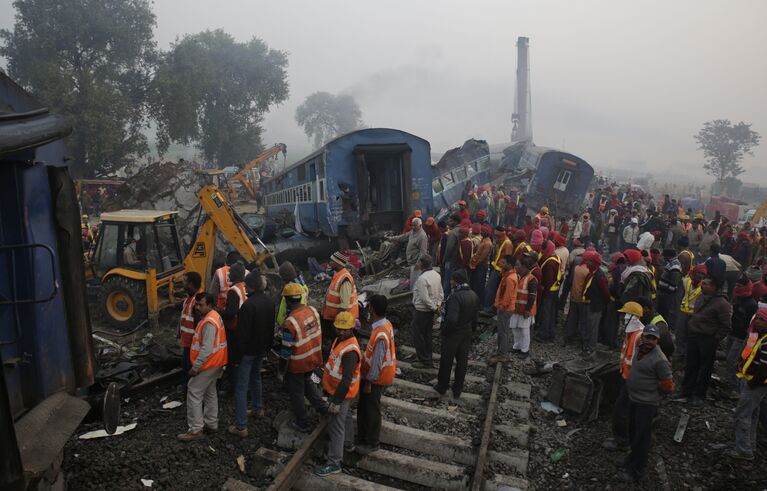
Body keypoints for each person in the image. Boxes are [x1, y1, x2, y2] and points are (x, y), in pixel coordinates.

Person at [618, 324, 674, 482]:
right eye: (647, 337)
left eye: (653, 339)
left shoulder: (660, 360)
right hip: (634, 399)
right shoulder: (639, 350)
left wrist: (654, 395)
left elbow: (668, 385)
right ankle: (630, 461)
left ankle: (635, 471)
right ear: (642, 337)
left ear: (657, 341)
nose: (650, 341)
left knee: (642, 437)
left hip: (646, 404)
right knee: (633, 433)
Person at [227, 272, 275, 437]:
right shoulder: (269, 301)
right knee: (256, 378)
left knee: (241, 387)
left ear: (250, 286)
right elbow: (271, 328)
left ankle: (241, 426)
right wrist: (268, 348)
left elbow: (242, 334)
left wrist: (236, 357)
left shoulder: (248, 306)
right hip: (261, 349)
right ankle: (257, 408)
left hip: (247, 352)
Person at [316, 312, 361, 477]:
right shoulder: (339, 340)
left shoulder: (350, 351)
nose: (341, 331)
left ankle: (334, 463)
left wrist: (336, 401)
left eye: (345, 329)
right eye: (339, 329)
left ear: (351, 328)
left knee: (336, 426)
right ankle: (348, 444)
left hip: (341, 393)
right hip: (336, 390)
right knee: (346, 417)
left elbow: (346, 379)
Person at [178, 293, 228, 442]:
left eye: (201, 305)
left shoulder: (208, 322)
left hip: (208, 364)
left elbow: (206, 349)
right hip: (217, 362)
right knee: (209, 392)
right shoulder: (214, 316)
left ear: (210, 305)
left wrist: (196, 367)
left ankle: (195, 429)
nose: (198, 308)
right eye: (197, 304)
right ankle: (211, 423)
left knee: (193, 390)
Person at [674, 278, 732, 405]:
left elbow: (726, 325)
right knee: (691, 365)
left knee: (705, 368)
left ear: (714, 287)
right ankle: (686, 392)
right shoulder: (701, 297)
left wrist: (715, 338)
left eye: (705, 284)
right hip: (694, 336)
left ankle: (699, 395)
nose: (702, 285)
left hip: (708, 339)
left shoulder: (722, 303)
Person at [280, 283, 326, 432]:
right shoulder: (312, 310)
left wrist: (281, 371)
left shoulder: (290, 322)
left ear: (287, 300)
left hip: (298, 363)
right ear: (300, 297)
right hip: (313, 358)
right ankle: (322, 408)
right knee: (307, 383)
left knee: (297, 392)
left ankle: (302, 422)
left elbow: (286, 351)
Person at [357, 295, 396, 455]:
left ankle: (372, 442)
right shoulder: (385, 324)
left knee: (372, 409)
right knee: (365, 407)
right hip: (376, 376)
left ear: (372, 309)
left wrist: (369, 382)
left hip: (376, 378)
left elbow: (377, 362)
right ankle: (364, 436)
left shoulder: (380, 334)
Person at [603, 301, 644, 452]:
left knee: (621, 410)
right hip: (627, 377)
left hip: (632, 380)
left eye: (624, 315)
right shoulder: (632, 333)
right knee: (624, 409)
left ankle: (622, 441)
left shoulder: (639, 336)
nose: (621, 318)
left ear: (631, 317)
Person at [729, 308, 767, 461]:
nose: (757, 321)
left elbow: (765, 367)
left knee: (742, 414)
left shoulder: (765, 341)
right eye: (756, 318)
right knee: (753, 413)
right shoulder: (757, 335)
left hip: (756, 383)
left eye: (761, 319)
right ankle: (750, 444)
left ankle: (743, 450)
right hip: (751, 380)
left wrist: (752, 383)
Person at [435, 270, 479, 397]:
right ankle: (457, 389)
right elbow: (475, 318)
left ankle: (442, 386)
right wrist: (472, 330)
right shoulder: (474, 295)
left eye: (452, 280)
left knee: (446, 361)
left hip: (453, 334)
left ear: (458, 281)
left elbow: (452, 319)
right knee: (462, 362)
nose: (451, 282)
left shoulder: (455, 297)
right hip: (466, 333)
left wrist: (445, 331)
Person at [726, 278, 758, 395]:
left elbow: (752, 325)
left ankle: (733, 387)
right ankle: (730, 383)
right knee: (729, 359)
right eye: (736, 285)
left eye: (739, 286)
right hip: (732, 333)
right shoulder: (737, 299)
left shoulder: (752, 305)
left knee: (733, 361)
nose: (736, 288)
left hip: (741, 337)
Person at [411, 255, 443, 368]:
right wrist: (437, 306)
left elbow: (424, 298)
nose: (417, 264)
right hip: (430, 311)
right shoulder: (437, 275)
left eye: (418, 262)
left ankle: (423, 360)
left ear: (422, 264)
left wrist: (434, 308)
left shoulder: (422, 279)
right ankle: (427, 357)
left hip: (421, 311)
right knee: (427, 335)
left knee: (418, 336)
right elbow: (441, 293)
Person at [322, 251, 359, 348]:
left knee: (340, 344)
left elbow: (344, 305)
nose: (330, 263)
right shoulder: (338, 275)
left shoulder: (345, 278)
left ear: (338, 263)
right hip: (335, 318)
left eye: (332, 261)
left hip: (343, 321)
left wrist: (339, 325)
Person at [177, 272, 203, 388]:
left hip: (193, 344)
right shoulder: (190, 298)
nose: (182, 283)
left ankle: (189, 390)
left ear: (191, 284)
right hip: (188, 342)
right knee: (185, 366)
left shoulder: (198, 301)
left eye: (184, 281)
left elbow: (199, 325)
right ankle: (186, 387)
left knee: (189, 368)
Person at [491, 255, 518, 362]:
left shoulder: (510, 278)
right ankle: (501, 351)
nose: (501, 264)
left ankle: (502, 354)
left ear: (509, 265)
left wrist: (501, 307)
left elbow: (507, 296)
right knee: (503, 330)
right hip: (505, 308)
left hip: (505, 309)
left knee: (503, 331)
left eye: (503, 263)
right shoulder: (508, 275)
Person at [510, 255, 538, 357]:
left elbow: (532, 296)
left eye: (517, 265)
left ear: (524, 267)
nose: (515, 267)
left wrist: (527, 310)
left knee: (524, 330)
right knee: (515, 328)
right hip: (516, 309)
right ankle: (517, 346)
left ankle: (525, 350)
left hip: (525, 310)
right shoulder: (518, 276)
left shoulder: (532, 279)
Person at [389, 217, 429, 288]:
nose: (413, 227)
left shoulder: (422, 236)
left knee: (415, 286)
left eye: (415, 225)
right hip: (412, 263)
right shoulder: (412, 232)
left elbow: (423, 252)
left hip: (416, 265)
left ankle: (415, 297)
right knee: (414, 284)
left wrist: (418, 264)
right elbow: (403, 237)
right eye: (412, 225)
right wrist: (391, 238)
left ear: (420, 225)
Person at [482, 227, 513, 313]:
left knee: (490, 289)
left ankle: (487, 309)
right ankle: (488, 308)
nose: (496, 238)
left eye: (497, 236)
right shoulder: (501, 242)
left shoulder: (507, 244)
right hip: (496, 269)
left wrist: (503, 271)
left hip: (499, 271)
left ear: (502, 235)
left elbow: (507, 260)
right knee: (491, 289)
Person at [537, 243, 562, 342]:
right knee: (551, 313)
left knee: (546, 313)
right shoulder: (557, 258)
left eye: (543, 250)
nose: (542, 252)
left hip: (549, 292)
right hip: (555, 290)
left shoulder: (549, 264)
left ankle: (543, 334)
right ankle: (551, 332)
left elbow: (548, 280)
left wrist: (544, 292)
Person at [276, 261, 309, 327]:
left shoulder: (291, 291)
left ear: (286, 275)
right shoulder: (302, 285)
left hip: (291, 323)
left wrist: (285, 323)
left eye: (282, 275)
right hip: (299, 319)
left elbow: (289, 308)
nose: (281, 278)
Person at [656, 249, 682, 327]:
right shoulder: (671, 263)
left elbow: (673, 284)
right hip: (664, 293)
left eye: (664, 256)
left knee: (665, 312)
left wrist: (665, 293)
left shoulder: (675, 266)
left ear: (668, 256)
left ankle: (665, 327)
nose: (663, 258)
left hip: (667, 294)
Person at [469, 224, 492, 301]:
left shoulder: (488, 243)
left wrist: (475, 264)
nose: (481, 232)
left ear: (488, 233)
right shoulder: (483, 240)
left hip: (481, 266)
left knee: (479, 285)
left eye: (484, 231)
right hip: (478, 265)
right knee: (475, 283)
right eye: (481, 231)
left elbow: (483, 257)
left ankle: (478, 302)